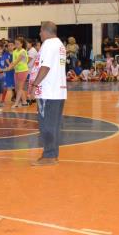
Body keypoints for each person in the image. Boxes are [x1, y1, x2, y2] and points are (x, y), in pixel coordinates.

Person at [27, 22, 67, 166]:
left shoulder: (49, 44)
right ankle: (52, 154)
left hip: (48, 91)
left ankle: (49, 156)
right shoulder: (59, 44)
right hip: (58, 91)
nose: (39, 34)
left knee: (47, 125)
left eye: (40, 31)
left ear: (46, 31)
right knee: (54, 125)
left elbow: (45, 67)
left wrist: (34, 85)